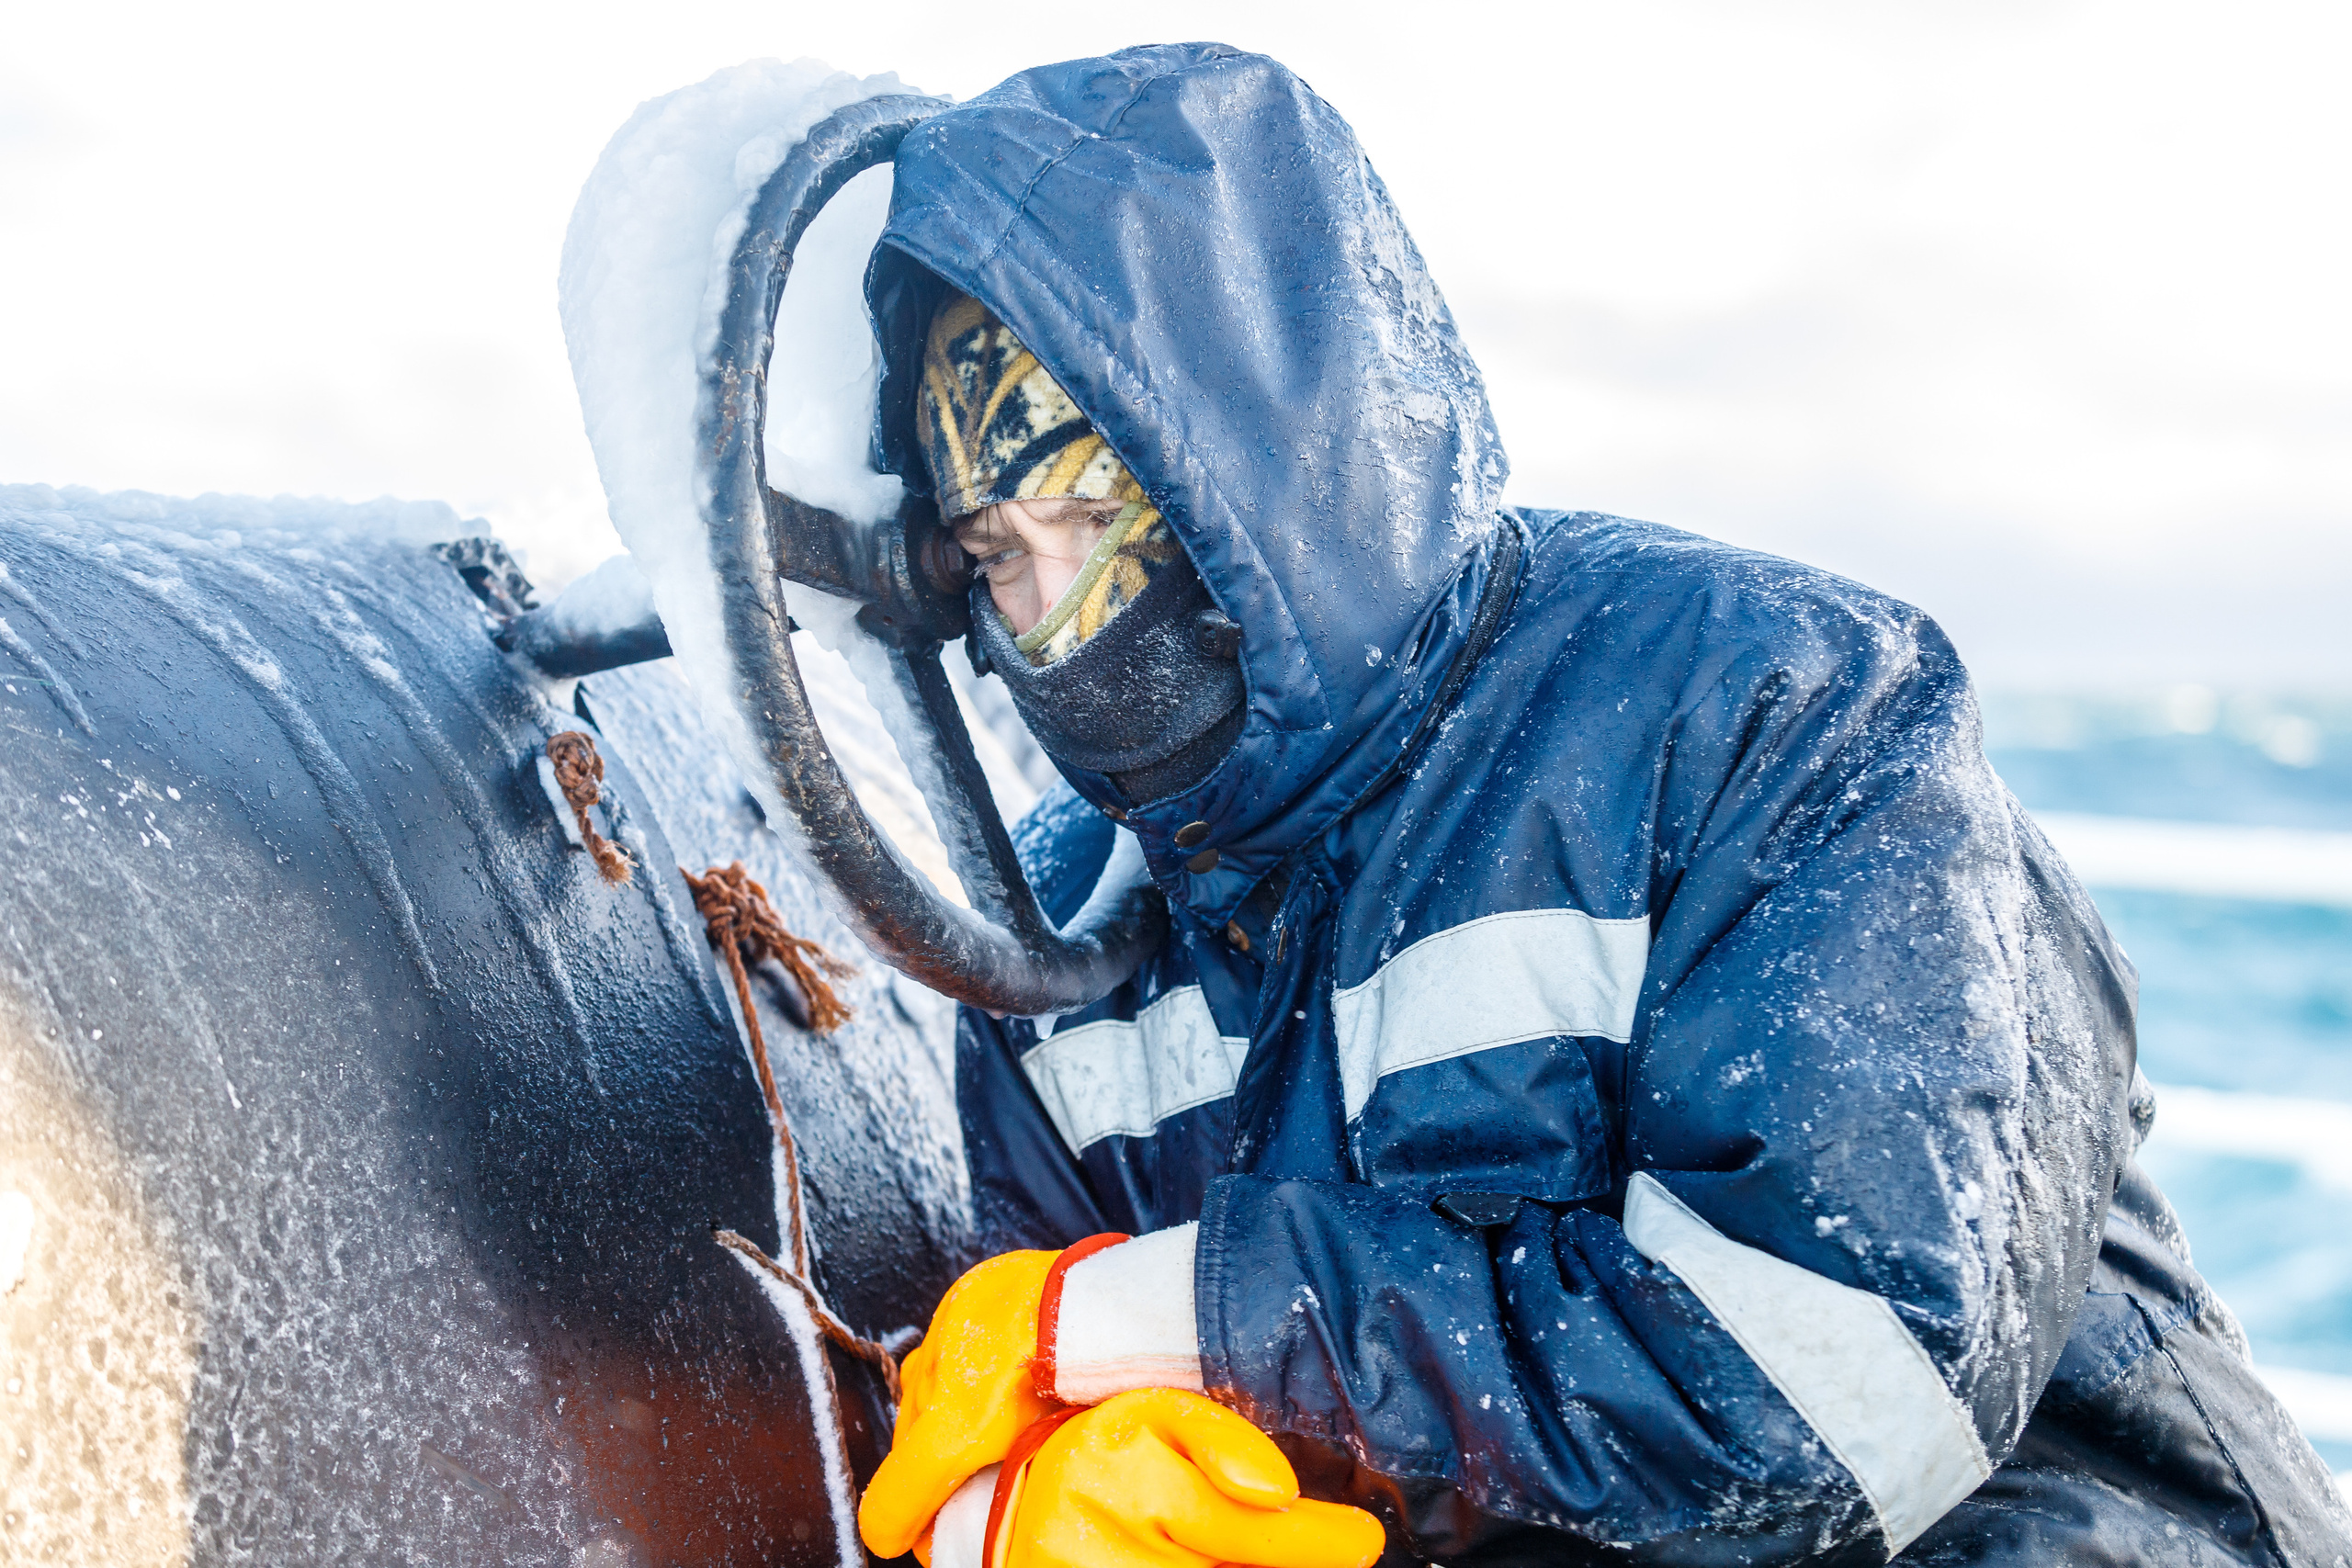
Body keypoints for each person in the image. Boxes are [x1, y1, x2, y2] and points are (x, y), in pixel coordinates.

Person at [846, 42, 2352, 1568]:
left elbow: (1837, 1407)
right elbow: (1093, 1420)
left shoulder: (1769, 713)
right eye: (996, 557)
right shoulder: (1057, 957)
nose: (1059, 622)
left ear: (1260, 461)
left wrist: (1165, 1314)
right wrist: (1037, 1503)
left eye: (1100, 521)